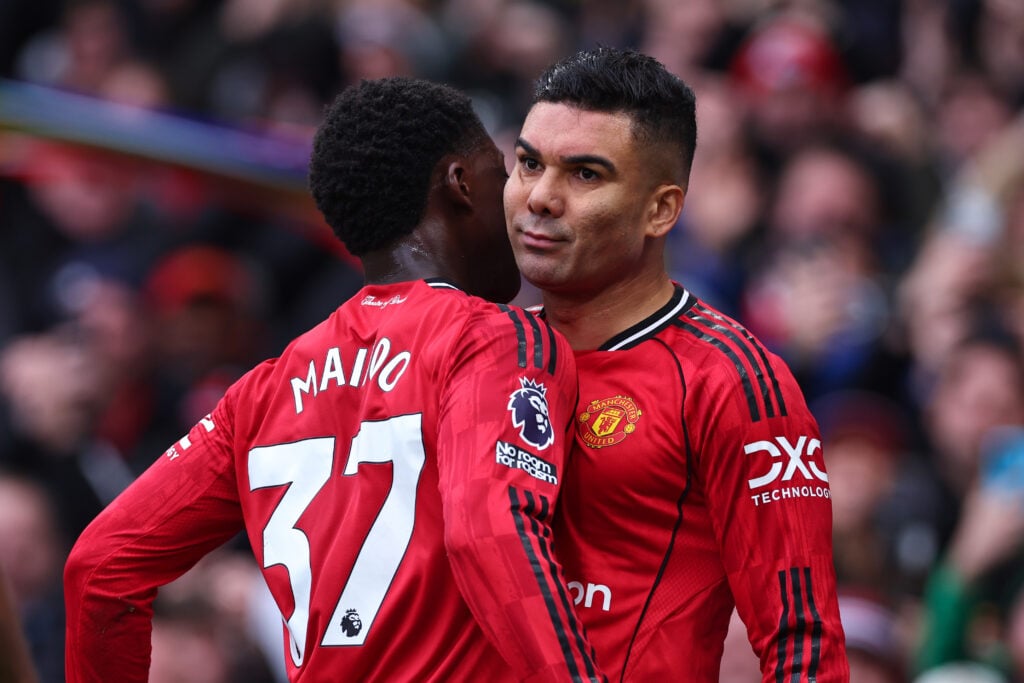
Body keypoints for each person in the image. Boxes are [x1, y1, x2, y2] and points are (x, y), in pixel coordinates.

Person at [64, 76, 604, 682]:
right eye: (502, 175)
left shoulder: (263, 391)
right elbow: (491, 532)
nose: (522, 202)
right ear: (461, 184)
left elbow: (100, 566)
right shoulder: (493, 339)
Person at [503, 46, 849, 681]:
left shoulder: (736, 381)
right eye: (529, 164)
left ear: (661, 209)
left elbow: (802, 642)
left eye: (586, 175)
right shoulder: (483, 353)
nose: (541, 197)